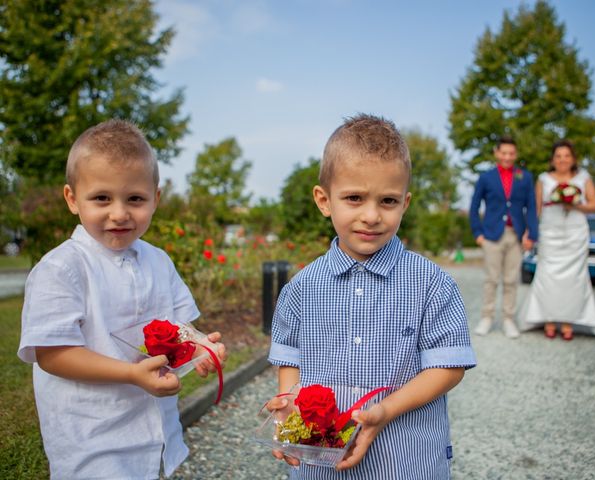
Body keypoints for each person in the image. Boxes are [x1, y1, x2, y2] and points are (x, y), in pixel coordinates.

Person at [267, 114, 477, 479]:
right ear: (324, 200)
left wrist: (386, 410)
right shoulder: (301, 288)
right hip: (322, 462)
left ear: (405, 203)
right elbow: (290, 358)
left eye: (388, 201)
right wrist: (289, 404)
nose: (371, 215)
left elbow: (448, 367)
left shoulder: (432, 284)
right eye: (354, 198)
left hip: (405, 455)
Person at [17, 119, 226, 479]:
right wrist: (131, 374)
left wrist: (200, 346)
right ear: (72, 199)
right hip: (92, 436)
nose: (119, 213)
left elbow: (179, 327)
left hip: (155, 431)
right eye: (101, 198)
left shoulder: (158, 260)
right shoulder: (62, 268)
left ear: (155, 199)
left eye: (135, 199)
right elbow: (52, 354)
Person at [518, 140, 595, 339]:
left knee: (575, 277)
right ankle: (548, 319)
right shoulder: (544, 179)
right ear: (552, 159)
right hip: (550, 232)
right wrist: (529, 232)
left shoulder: (583, 178)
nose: (562, 159)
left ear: (573, 159)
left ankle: (567, 322)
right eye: (558, 156)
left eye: (566, 156)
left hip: (576, 232)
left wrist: (574, 205)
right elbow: (536, 209)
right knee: (547, 275)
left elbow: (594, 205)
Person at [469, 136, 538, 338]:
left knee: (511, 279)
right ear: (497, 153)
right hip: (492, 235)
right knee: (491, 279)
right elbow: (474, 207)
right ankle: (487, 317)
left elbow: (531, 208)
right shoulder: (486, 177)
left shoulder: (524, 177)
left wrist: (532, 234)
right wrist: (478, 233)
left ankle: (508, 319)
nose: (507, 157)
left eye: (511, 153)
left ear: (515, 155)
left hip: (515, 235)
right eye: (504, 153)